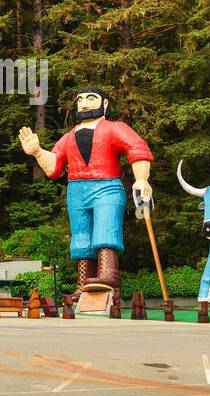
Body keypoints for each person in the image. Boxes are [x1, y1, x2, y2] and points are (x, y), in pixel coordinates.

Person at [18, 88, 153, 292]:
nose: (84, 103)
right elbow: (54, 167)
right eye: (80, 99)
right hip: (77, 189)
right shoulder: (69, 136)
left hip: (106, 186)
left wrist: (141, 179)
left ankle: (108, 274)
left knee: (106, 227)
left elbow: (136, 148)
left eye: (91, 98)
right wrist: (37, 152)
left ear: (105, 104)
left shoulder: (115, 128)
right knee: (80, 235)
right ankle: (83, 282)